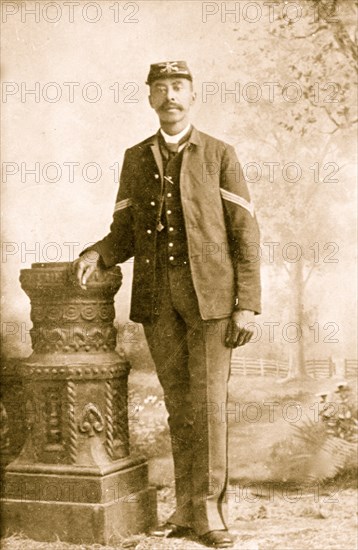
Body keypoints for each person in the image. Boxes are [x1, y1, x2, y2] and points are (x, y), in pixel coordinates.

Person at [73, 60, 261, 548]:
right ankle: (185, 510)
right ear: (150, 98)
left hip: (214, 302)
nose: (170, 96)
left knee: (209, 408)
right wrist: (97, 252)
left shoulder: (220, 154)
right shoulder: (136, 158)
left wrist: (248, 304)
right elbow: (124, 234)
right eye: (161, 88)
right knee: (180, 408)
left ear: (192, 96)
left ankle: (212, 515)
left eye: (179, 87)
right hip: (158, 302)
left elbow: (245, 234)